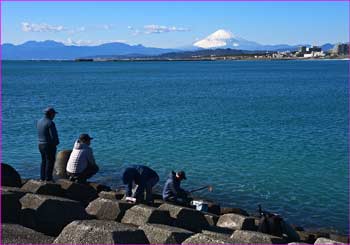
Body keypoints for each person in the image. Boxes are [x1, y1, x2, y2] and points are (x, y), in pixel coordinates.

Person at [37, 107, 59, 181]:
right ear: (51, 114)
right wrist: (56, 142)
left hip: (40, 144)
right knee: (50, 161)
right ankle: (48, 179)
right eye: (54, 114)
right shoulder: (50, 123)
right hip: (49, 145)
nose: (54, 116)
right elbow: (53, 135)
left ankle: (42, 178)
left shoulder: (39, 121)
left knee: (43, 161)